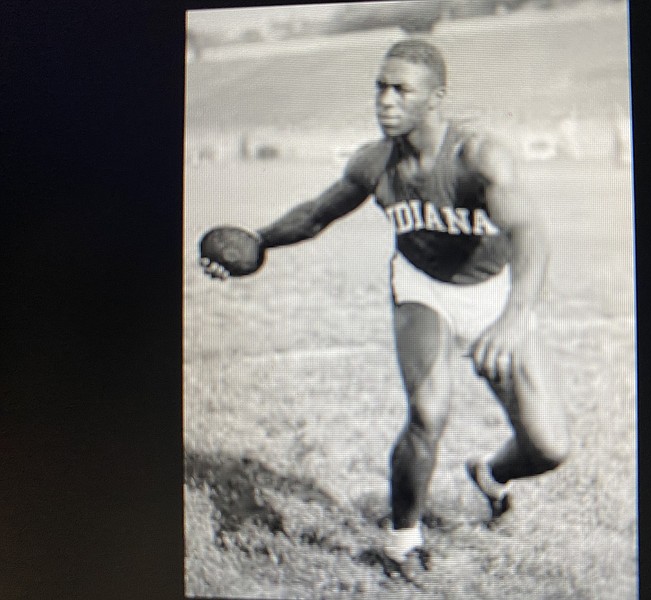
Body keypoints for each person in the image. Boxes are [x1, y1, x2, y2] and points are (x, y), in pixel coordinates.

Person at [200, 39, 570, 567]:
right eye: (380, 87)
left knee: (548, 447)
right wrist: (257, 241)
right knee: (428, 410)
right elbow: (314, 215)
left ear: (435, 97)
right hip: (422, 288)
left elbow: (529, 230)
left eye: (402, 89)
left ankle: (490, 473)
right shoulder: (374, 163)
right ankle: (402, 540)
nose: (386, 100)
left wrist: (517, 314)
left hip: (492, 293)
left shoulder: (477, 156)